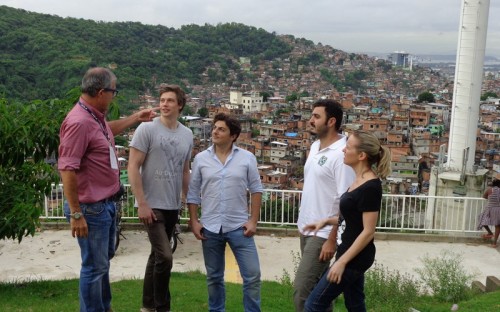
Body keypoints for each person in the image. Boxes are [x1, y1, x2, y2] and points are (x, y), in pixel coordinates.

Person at [58, 67, 158, 312]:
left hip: (104, 205)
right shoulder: (79, 122)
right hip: (90, 209)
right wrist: (76, 213)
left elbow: (105, 132)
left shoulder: (94, 116)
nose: (115, 96)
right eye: (114, 91)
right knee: (93, 267)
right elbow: (67, 169)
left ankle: (104, 307)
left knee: (101, 265)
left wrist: (135, 118)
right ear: (101, 92)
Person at [303, 130, 392, 312]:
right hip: (349, 252)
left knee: (313, 304)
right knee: (355, 304)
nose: (343, 150)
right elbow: (351, 219)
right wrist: (327, 221)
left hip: (354, 258)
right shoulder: (358, 180)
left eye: (348, 147)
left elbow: (368, 231)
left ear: (361, 155)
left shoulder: (370, 187)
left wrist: (341, 262)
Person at [187, 113, 263, 312]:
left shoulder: (247, 158)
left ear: (233, 135)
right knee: (214, 277)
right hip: (210, 227)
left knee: (252, 275)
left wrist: (253, 220)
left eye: (221, 129)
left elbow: (256, 190)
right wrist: (194, 220)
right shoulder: (201, 159)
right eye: (214, 128)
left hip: (239, 226)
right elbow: (193, 192)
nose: (215, 132)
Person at [128, 84, 193, 312]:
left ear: (180, 105)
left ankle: (147, 306)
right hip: (151, 205)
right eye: (162, 100)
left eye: (170, 100)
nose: (164, 104)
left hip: (172, 204)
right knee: (165, 257)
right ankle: (162, 307)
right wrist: (142, 203)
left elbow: (185, 171)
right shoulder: (146, 129)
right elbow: (133, 167)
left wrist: (189, 201)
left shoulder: (187, 134)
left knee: (156, 256)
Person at [294, 99, 356, 312]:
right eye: (311, 116)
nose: (310, 121)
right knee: (319, 294)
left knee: (301, 289)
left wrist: (332, 239)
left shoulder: (341, 154)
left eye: (316, 117)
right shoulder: (314, 146)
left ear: (331, 121)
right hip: (307, 227)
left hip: (324, 234)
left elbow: (346, 200)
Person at [477, 179, 500, 246]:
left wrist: (491, 198)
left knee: (481, 219)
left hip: (489, 208)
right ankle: (494, 243)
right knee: (497, 226)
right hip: (498, 209)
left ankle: (490, 233)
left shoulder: (489, 190)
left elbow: (484, 196)